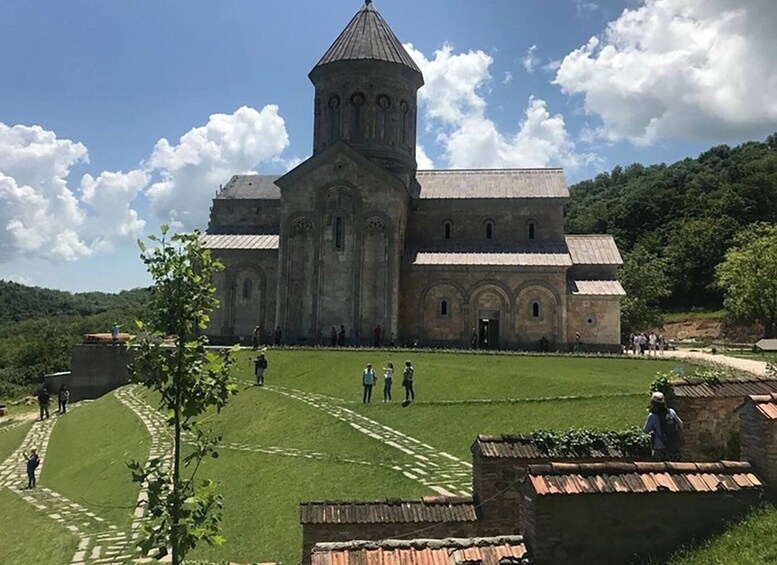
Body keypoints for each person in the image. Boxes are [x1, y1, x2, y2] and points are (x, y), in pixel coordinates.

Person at [643, 391, 684, 461]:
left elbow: (645, 430)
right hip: (674, 447)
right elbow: (681, 424)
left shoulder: (652, 416)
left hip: (660, 448)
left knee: (660, 470)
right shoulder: (671, 412)